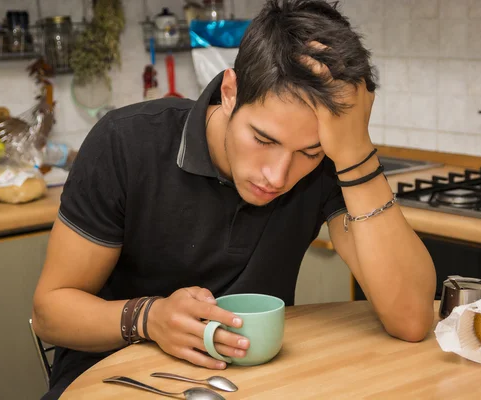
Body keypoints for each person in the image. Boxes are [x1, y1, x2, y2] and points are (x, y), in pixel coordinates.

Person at [32, 0, 437, 398]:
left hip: (247, 386)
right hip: (110, 383)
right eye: (263, 139)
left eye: (308, 152)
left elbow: (411, 320)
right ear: (230, 92)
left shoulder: (331, 162)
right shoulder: (126, 142)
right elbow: (51, 313)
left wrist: (355, 153)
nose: (277, 176)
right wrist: (147, 317)